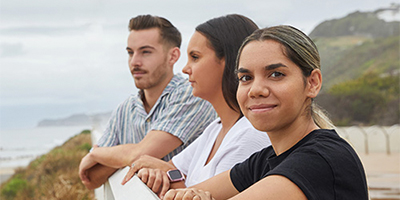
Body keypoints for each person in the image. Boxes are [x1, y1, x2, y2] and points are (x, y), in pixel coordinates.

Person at [162, 25, 369, 200]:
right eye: (246, 78)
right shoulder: (264, 160)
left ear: (312, 83)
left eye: (276, 74)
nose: (256, 90)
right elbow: (192, 192)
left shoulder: (320, 160)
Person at [121, 14, 271, 198]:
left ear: (229, 61)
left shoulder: (249, 135)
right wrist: (162, 172)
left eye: (195, 57)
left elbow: (194, 194)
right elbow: (171, 169)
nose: (185, 69)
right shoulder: (215, 129)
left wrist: (168, 175)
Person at [78, 15, 216, 190]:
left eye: (146, 52)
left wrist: (96, 154)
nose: (134, 62)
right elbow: (90, 177)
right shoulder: (125, 109)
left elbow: (140, 153)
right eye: (130, 52)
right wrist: (126, 156)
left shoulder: (191, 96)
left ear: (172, 56)